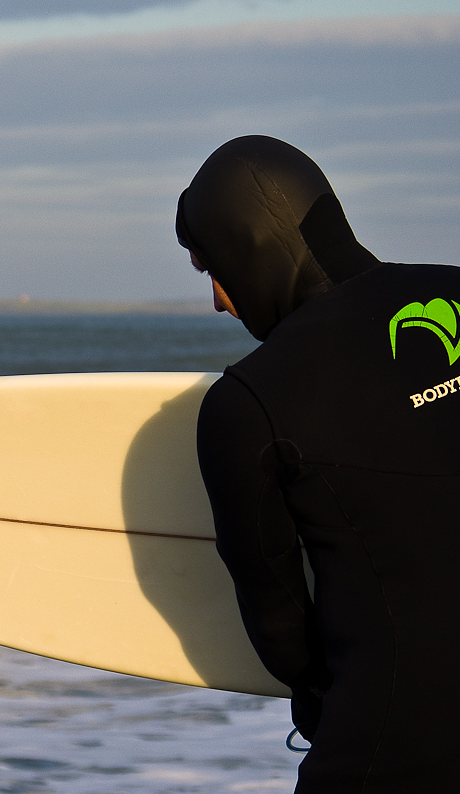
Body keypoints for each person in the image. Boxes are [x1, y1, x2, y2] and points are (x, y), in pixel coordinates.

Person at [178, 135, 460, 793]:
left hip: (398, 752)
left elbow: (283, 636)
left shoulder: (247, 405)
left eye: (208, 267)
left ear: (246, 249)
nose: (219, 299)